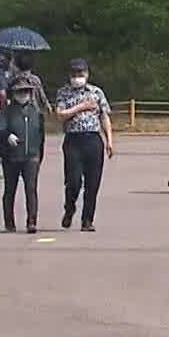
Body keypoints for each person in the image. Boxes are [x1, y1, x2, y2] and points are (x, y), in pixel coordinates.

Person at [54, 59, 114, 232]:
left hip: (93, 140)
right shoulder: (64, 93)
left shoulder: (96, 92)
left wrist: (109, 140)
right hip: (73, 141)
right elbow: (60, 115)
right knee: (73, 181)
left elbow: (104, 116)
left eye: (80, 74)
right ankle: (69, 207)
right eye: (74, 74)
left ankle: (87, 219)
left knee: (92, 183)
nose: (77, 77)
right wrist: (81, 107)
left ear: (87, 74)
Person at [0, 77, 46, 233]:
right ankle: (9, 222)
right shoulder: (7, 111)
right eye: (19, 91)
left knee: (31, 189)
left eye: (26, 91)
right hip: (11, 157)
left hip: (31, 156)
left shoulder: (36, 112)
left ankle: (32, 222)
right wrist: (7, 135)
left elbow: (41, 135)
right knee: (10, 190)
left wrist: (38, 155)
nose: (23, 94)